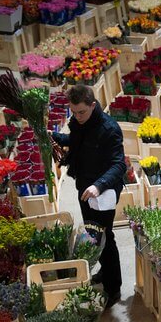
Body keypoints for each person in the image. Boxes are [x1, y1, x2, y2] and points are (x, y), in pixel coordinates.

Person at [51, 85, 127, 308]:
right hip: (84, 188)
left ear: (93, 105)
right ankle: (105, 271)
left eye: (81, 112)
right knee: (93, 234)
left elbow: (118, 164)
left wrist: (99, 185)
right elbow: (76, 142)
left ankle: (114, 288)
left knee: (106, 237)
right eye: (73, 112)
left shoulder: (109, 129)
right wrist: (55, 137)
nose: (77, 116)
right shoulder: (79, 123)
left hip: (102, 193)